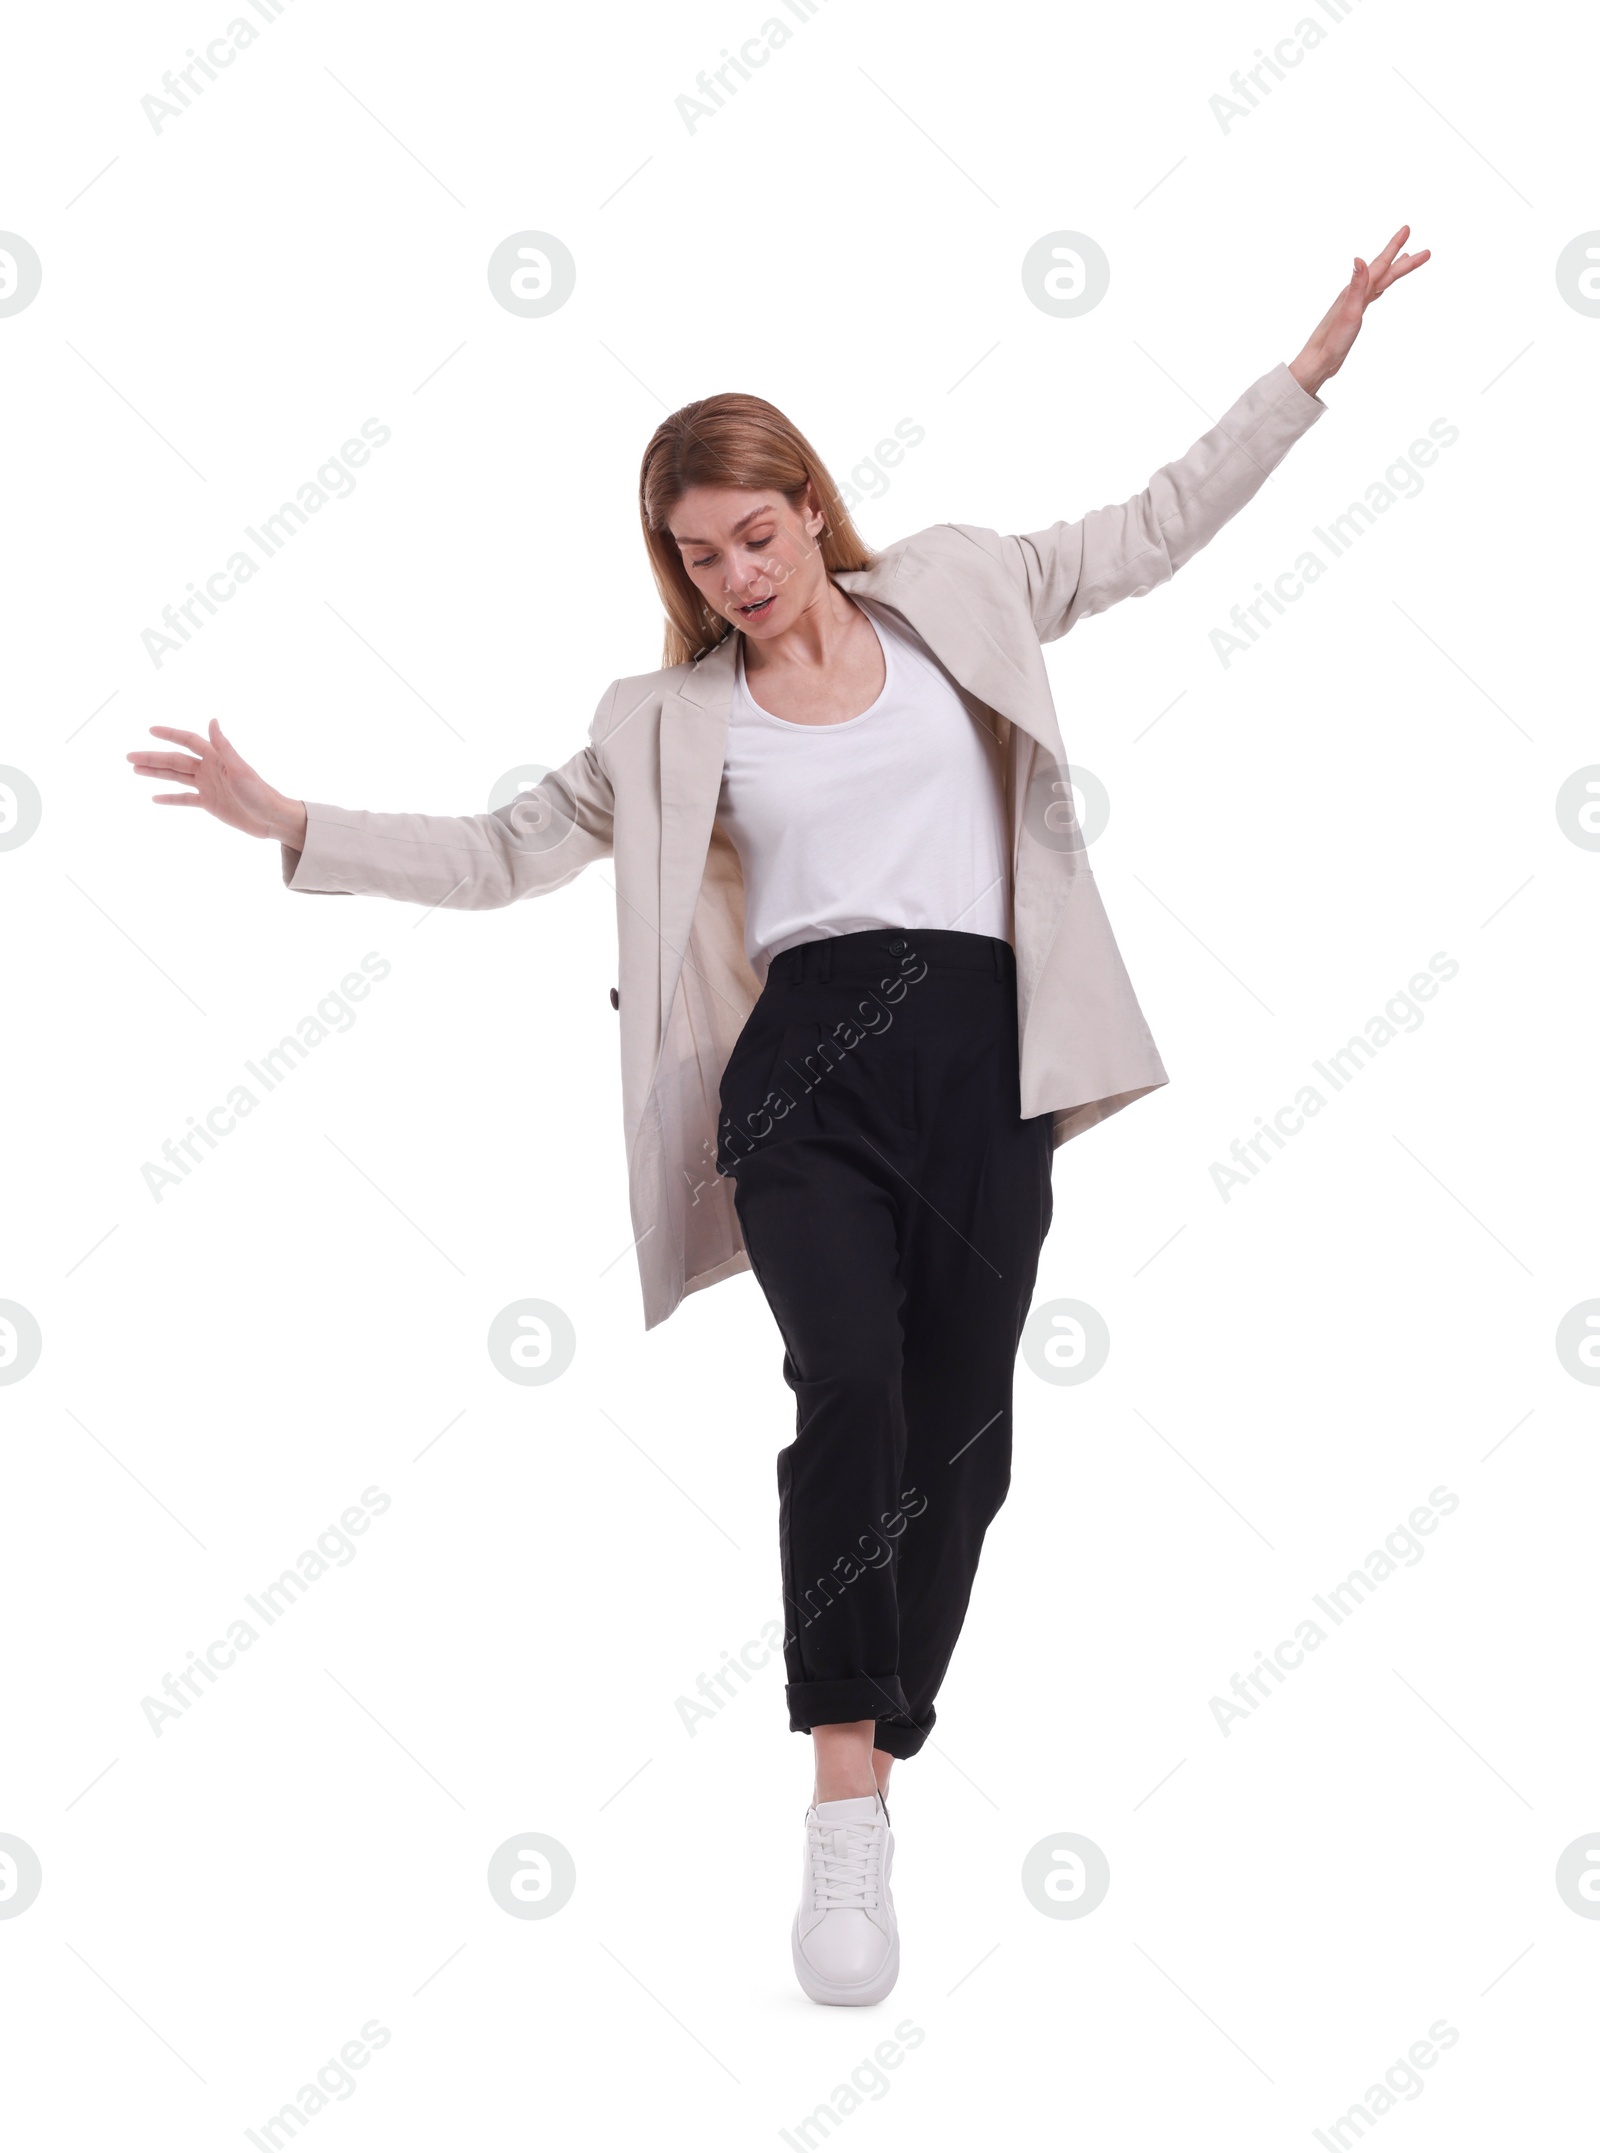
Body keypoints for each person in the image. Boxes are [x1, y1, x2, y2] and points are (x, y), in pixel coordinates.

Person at [128, 228, 1430, 2008]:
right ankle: (842, 1815)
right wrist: (293, 822)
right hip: (802, 1070)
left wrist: (1309, 367)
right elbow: (506, 851)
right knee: (854, 1386)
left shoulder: (962, 587)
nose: (733, 574)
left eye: (754, 532)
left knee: (963, 1440)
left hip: (987, 1054)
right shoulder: (665, 719)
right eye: (696, 555)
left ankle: (886, 1731)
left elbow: (1146, 530)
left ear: (810, 505)